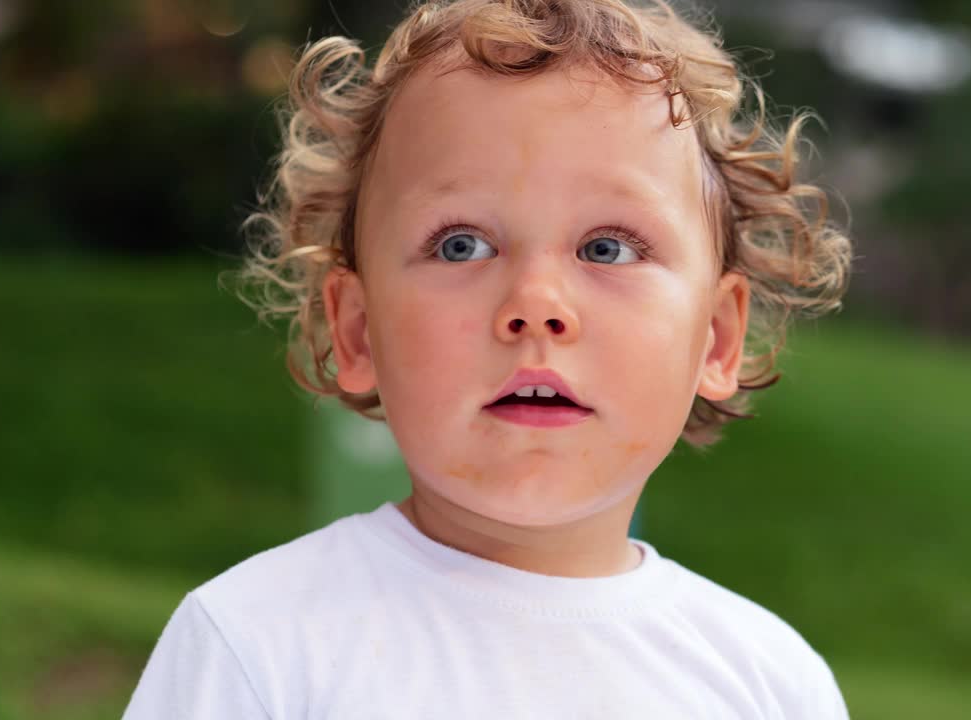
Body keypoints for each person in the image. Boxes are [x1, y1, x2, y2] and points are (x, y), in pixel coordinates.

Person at [123, 0, 852, 717]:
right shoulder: (258, 646)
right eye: (460, 244)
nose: (535, 303)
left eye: (607, 248)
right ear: (357, 331)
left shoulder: (771, 683)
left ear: (717, 340)